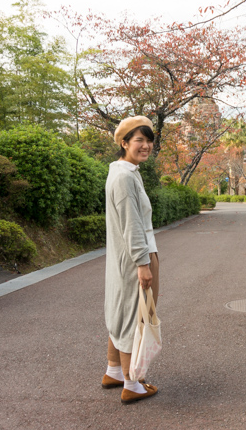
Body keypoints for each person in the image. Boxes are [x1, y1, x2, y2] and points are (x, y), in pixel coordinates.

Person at [101, 115, 160, 404]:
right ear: (124, 143)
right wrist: (143, 264)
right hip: (136, 257)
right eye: (139, 140)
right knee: (135, 316)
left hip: (123, 257)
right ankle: (131, 383)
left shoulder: (123, 171)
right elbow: (132, 225)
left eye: (149, 140)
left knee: (122, 311)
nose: (145, 145)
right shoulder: (125, 177)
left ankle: (114, 371)